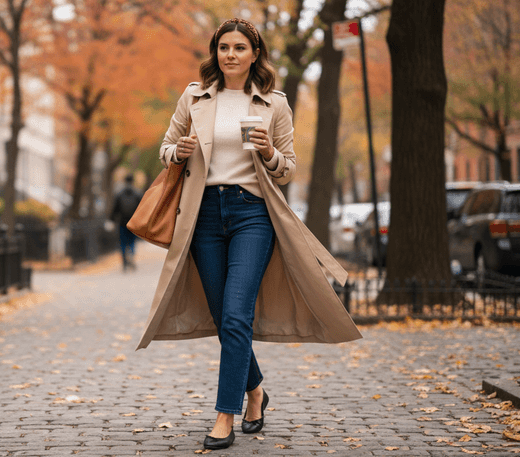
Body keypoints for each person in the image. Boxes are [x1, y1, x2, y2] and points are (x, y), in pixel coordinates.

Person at [135, 18, 362, 450]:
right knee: (225, 317)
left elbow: (289, 167)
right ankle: (255, 391)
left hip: (251, 214)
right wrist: (177, 152)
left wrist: (269, 151)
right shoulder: (194, 97)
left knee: (238, 314)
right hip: (202, 215)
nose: (231, 55)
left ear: (255, 54)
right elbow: (166, 148)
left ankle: (225, 414)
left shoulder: (274, 103)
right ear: (215, 52)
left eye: (240, 47)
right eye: (224, 47)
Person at [111, 174, 143, 271]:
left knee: (123, 242)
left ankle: (125, 262)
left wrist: (111, 220)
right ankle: (131, 255)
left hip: (122, 222)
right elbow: (141, 209)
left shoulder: (119, 194)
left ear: (125, 181)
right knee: (132, 241)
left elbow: (115, 209)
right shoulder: (137, 194)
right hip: (133, 223)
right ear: (133, 181)